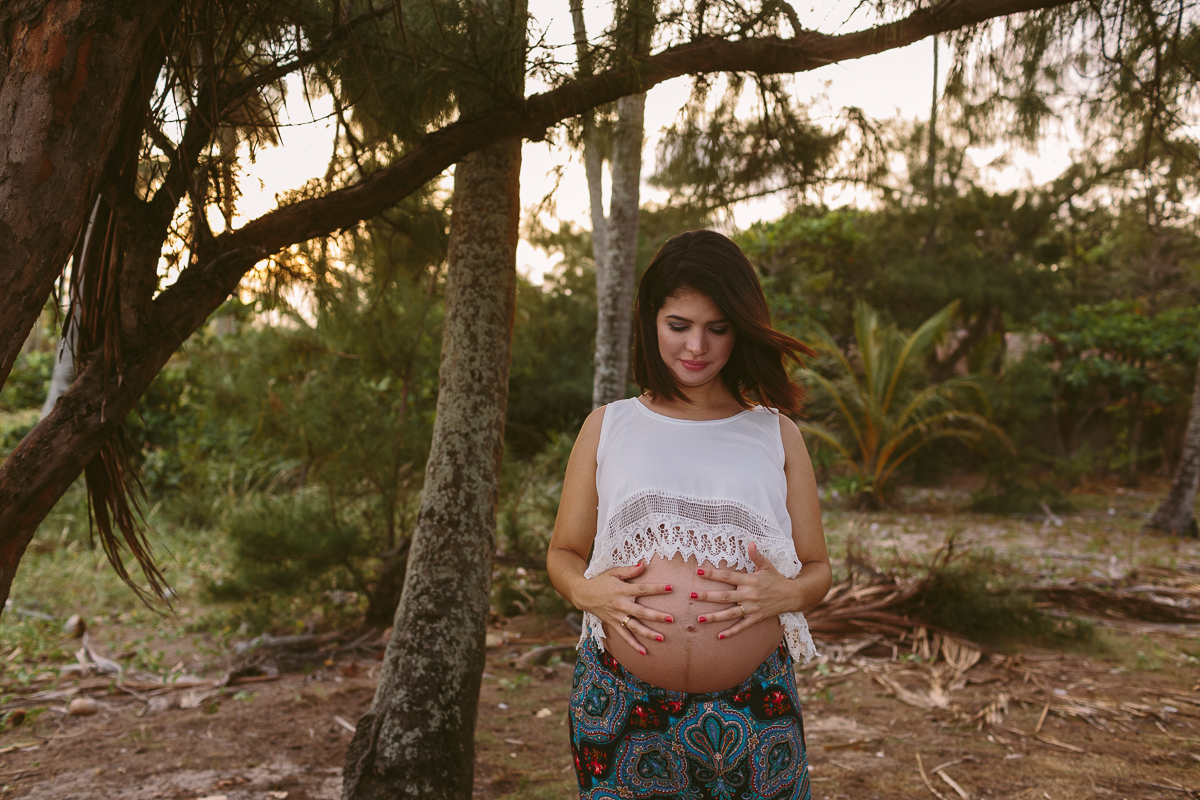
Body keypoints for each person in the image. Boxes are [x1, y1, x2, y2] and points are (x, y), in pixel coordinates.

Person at [547, 230, 832, 799]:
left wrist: (789, 594)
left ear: (739, 328)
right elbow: (563, 553)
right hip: (621, 701)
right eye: (679, 325)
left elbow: (818, 568)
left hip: (754, 702)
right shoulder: (608, 425)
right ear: (651, 321)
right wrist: (587, 594)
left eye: (717, 328)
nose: (696, 346)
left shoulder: (775, 432)